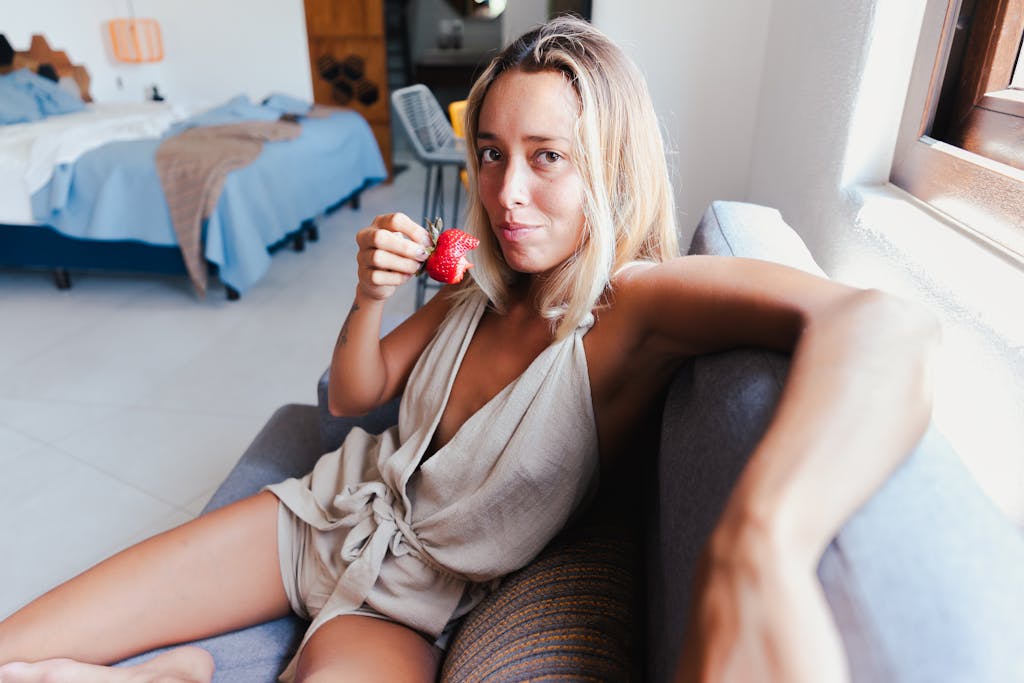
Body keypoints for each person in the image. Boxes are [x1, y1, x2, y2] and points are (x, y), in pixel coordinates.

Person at [0, 15, 939, 683]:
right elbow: (348, 394)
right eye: (490, 153)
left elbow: (883, 325)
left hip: (411, 602)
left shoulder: (633, 307)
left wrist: (760, 543)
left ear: (609, 164)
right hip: (319, 516)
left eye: (547, 156)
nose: (506, 192)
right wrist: (369, 296)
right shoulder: (480, 285)